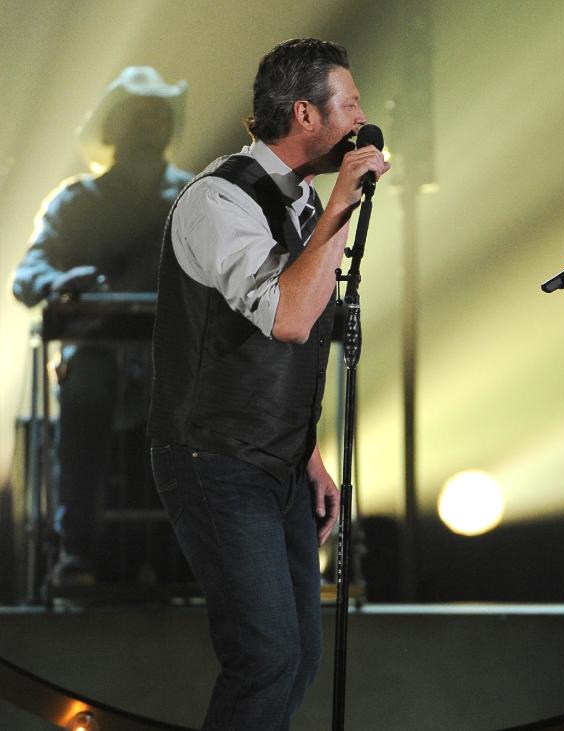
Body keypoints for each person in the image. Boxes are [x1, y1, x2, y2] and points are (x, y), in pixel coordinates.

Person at [147, 39, 389, 729]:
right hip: (213, 455)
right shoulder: (219, 198)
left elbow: (298, 341)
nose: (363, 120)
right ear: (305, 113)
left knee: (301, 655)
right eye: (350, 104)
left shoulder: (308, 205)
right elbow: (286, 316)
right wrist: (341, 205)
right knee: (265, 656)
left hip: (276, 459)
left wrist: (309, 456)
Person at [12, 66, 192, 585]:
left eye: (158, 118)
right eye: (137, 116)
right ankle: (78, 552)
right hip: (94, 364)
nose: (149, 127)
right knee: (87, 385)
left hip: (174, 364)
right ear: (113, 128)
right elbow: (27, 275)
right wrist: (59, 281)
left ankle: (194, 556)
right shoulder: (74, 202)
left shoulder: (198, 198)